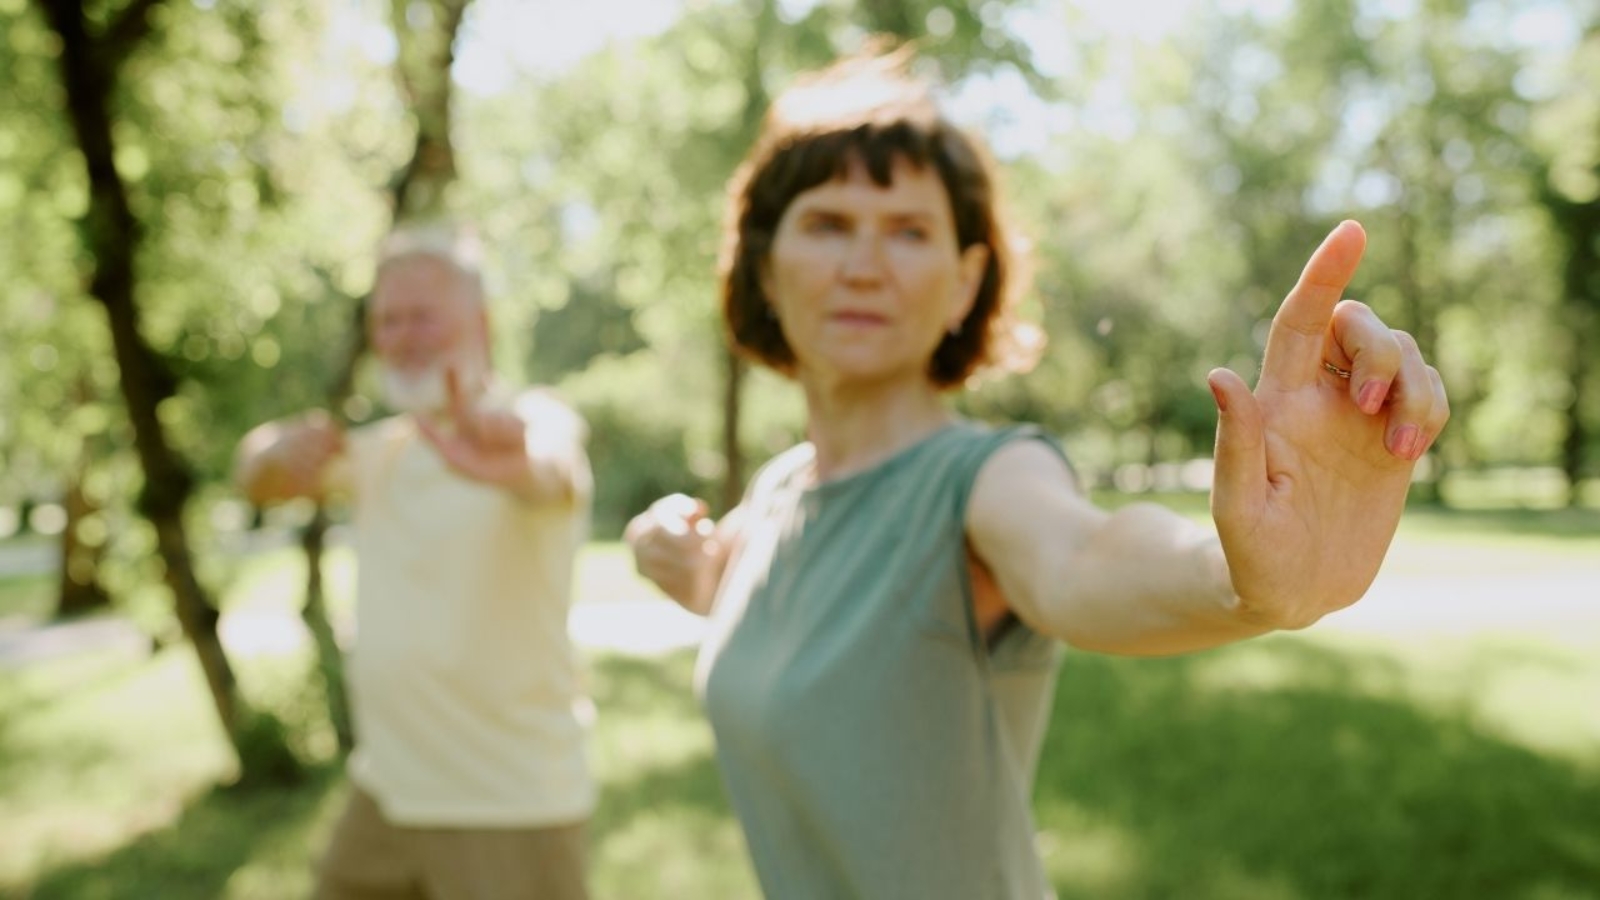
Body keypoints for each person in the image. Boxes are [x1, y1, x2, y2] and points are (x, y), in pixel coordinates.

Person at [625, 49, 1450, 899]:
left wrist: (1244, 584)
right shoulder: (775, 496)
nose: (864, 264)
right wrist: (680, 563)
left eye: (910, 231)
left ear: (964, 282)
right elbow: (786, 608)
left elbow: (1083, 557)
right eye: (828, 223)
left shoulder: (984, 478)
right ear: (766, 266)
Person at [234, 226, 594, 900]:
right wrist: (273, 449)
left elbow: (554, 468)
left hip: (507, 803)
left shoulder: (532, 420)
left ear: (480, 324)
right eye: (387, 320)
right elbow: (255, 477)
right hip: (387, 791)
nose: (403, 335)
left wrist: (517, 461)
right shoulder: (383, 453)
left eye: (423, 315)